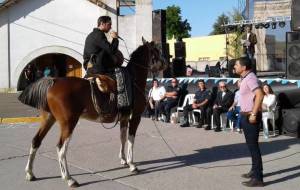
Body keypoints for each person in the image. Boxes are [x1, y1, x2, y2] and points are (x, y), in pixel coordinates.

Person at [234, 57, 264, 187]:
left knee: (253, 147)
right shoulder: (246, 78)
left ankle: (258, 178)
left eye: (236, 65)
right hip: (245, 115)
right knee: (251, 146)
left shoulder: (250, 78)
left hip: (250, 116)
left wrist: (253, 113)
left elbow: (260, 94)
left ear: (244, 67)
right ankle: (254, 171)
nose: (234, 66)